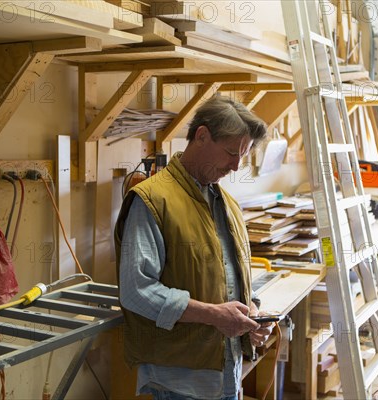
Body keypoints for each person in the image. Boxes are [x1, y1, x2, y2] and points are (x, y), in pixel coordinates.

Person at [114, 95, 273, 400]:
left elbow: (227, 278)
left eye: (244, 155)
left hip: (227, 371)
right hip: (179, 380)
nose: (236, 165)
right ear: (202, 136)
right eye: (230, 152)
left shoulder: (227, 205)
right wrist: (214, 315)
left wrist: (252, 314)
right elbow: (137, 291)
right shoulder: (152, 200)